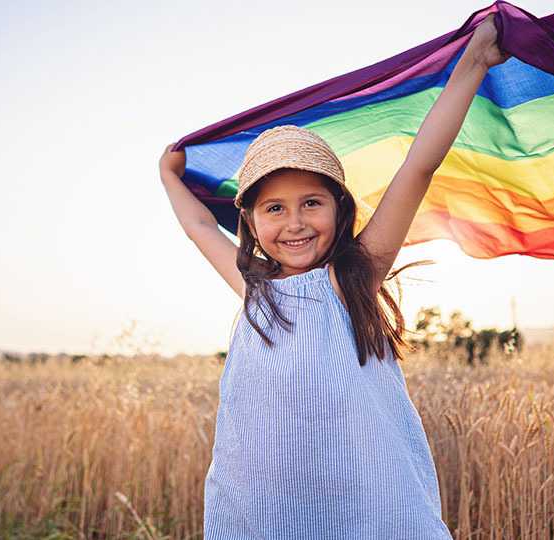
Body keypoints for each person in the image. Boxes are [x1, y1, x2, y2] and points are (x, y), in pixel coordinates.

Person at [159, 14, 508, 539]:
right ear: (249, 221)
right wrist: (167, 173)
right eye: (274, 208)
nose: (295, 222)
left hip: (360, 505)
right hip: (268, 505)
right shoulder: (255, 288)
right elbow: (198, 226)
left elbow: (417, 167)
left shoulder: (351, 279)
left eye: (311, 203)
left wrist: (474, 62)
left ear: (339, 211)